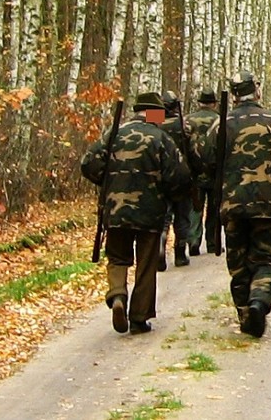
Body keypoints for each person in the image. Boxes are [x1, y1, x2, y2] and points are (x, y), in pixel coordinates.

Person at [201, 70, 271, 338]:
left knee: (238, 262)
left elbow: (205, 161)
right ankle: (258, 302)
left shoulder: (221, 125)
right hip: (270, 205)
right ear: (256, 91)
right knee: (266, 259)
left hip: (233, 206)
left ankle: (244, 312)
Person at [80, 92, 191, 334]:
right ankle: (139, 318)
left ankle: (118, 294)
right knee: (146, 263)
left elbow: (88, 164)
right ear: (155, 113)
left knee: (118, 257)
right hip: (150, 212)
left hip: (115, 209)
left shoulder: (114, 134)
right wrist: (171, 195)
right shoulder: (161, 139)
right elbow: (180, 176)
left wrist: (108, 182)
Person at [160, 90, 196, 268]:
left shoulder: (153, 120)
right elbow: (193, 150)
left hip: (159, 176)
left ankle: (161, 238)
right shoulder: (183, 123)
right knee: (182, 216)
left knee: (163, 214)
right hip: (181, 175)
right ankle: (180, 253)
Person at [186, 87, 220, 255]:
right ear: (214, 104)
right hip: (215, 172)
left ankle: (193, 240)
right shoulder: (220, 120)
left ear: (199, 103)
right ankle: (213, 243)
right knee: (214, 209)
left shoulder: (187, 120)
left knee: (195, 208)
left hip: (194, 173)